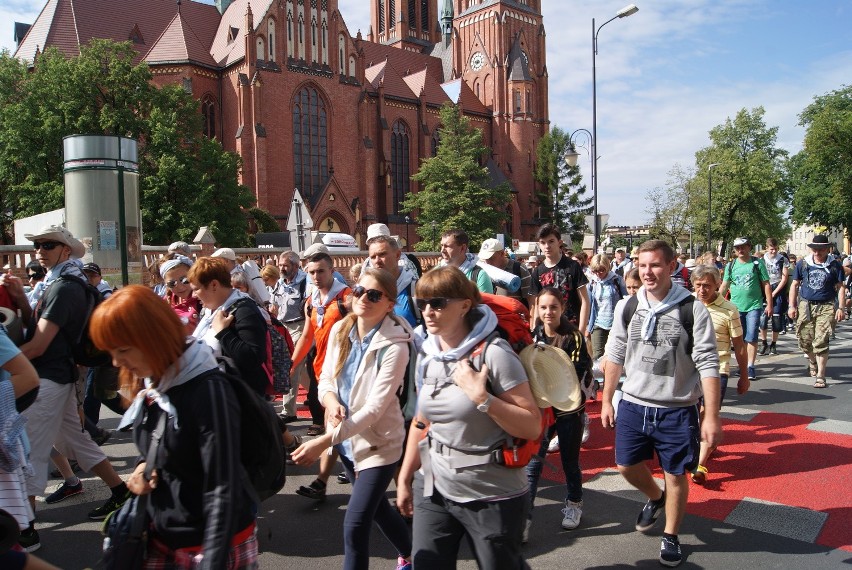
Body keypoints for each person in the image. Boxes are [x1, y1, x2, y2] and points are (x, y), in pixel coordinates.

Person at [90, 286, 258, 569]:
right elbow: (168, 442)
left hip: (209, 546)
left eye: (122, 350)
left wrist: (212, 561)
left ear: (152, 338)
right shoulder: (157, 383)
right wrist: (146, 465)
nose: (117, 362)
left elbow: (222, 486)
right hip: (163, 534)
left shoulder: (207, 390)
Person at [396, 266, 540, 569]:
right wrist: (407, 476)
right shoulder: (429, 353)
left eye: (437, 303)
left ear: (464, 305)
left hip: (490, 491)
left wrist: (482, 398)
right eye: (422, 303)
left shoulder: (495, 354)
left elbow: (531, 424)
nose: (428, 311)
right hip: (434, 486)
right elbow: (422, 421)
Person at [601, 239, 721, 567]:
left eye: (654, 265)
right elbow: (614, 354)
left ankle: (670, 534)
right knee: (626, 465)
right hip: (634, 403)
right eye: (642, 265)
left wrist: (711, 416)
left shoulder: (691, 308)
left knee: (676, 474)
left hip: (677, 409)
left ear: (671, 266)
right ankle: (656, 498)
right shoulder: (628, 305)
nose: (648, 272)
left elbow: (709, 363)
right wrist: (607, 400)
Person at [14, 225, 130, 551]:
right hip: (56, 375)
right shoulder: (57, 283)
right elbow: (39, 327)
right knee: (74, 440)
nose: (40, 249)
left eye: (48, 244)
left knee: (30, 451)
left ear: (66, 250)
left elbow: (38, 344)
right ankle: (121, 492)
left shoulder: (64, 287)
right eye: (37, 244)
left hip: (47, 377)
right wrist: (23, 299)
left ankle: (26, 531)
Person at [292, 268, 413, 570]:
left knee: (355, 525)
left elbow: (375, 409)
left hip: (379, 445)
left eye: (374, 295)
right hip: (346, 442)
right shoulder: (341, 329)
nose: (363, 298)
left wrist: (323, 441)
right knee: (379, 510)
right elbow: (326, 379)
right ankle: (414, 555)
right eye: (360, 290)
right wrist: (330, 401)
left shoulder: (396, 345)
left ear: (389, 304)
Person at [525, 287, 591, 541]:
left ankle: (574, 503)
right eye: (543, 307)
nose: (548, 312)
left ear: (562, 308)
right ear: (537, 309)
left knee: (569, 461)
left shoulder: (573, 336)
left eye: (553, 307)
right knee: (532, 464)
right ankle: (525, 517)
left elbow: (572, 374)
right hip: (542, 408)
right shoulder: (534, 334)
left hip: (568, 409)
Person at [290, 252, 352, 499]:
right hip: (322, 372)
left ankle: (322, 481)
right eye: (312, 272)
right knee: (335, 426)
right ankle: (326, 481)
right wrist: (293, 363)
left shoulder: (346, 298)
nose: (316, 276)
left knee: (334, 425)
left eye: (321, 271)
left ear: (332, 269)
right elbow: (307, 336)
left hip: (346, 372)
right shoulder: (311, 301)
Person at [690, 265, 749, 484]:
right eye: (698, 285)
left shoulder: (729, 309)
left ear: (717, 284)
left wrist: (744, 375)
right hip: (689, 369)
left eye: (707, 285)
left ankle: (700, 464)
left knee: (707, 414)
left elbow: (739, 345)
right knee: (690, 416)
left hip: (718, 369)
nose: (702, 290)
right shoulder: (687, 303)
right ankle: (701, 447)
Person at [189, 257, 268, 397]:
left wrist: (223, 333)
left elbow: (253, 358)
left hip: (239, 401)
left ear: (214, 285)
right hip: (216, 394)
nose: (194, 295)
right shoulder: (210, 312)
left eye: (196, 289)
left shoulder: (244, 310)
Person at [788, 235, 846, 388]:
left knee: (821, 341)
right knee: (804, 340)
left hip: (826, 306)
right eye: (814, 249)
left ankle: (821, 375)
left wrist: (841, 307)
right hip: (806, 305)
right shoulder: (803, 263)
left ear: (827, 249)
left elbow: (841, 287)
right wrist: (792, 306)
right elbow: (794, 285)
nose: (817, 252)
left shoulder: (834, 265)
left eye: (820, 249)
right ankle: (812, 361)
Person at [719, 237, 772, 381]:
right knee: (738, 339)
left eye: (743, 247)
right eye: (737, 248)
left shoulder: (757, 263)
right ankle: (742, 366)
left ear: (749, 247)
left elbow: (766, 284)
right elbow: (724, 286)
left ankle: (750, 366)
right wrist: (716, 302)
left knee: (752, 336)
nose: (740, 250)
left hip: (754, 306)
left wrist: (769, 304)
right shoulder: (731, 265)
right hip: (735, 307)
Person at [529, 224, 590, 333]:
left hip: (571, 328)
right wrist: (535, 330)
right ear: (539, 245)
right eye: (543, 242)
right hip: (547, 331)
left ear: (559, 242)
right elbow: (536, 305)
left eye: (551, 241)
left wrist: (581, 332)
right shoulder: (537, 271)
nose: (547, 246)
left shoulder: (573, 266)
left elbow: (585, 301)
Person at [275, 251, 309, 423]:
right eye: (280, 265)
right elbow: (276, 304)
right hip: (284, 327)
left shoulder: (305, 282)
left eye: (285, 265)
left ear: (296, 266)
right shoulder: (280, 282)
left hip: (300, 326)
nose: (282, 268)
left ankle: (288, 411)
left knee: (292, 365)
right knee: (301, 368)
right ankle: (316, 395)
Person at [367, 235, 419, 326]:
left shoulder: (415, 289)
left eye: (382, 254)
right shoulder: (365, 291)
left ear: (397, 255)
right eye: (373, 257)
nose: (377, 261)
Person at [587, 254, 627, 360]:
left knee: (614, 355)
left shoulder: (616, 280)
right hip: (597, 323)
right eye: (595, 271)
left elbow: (625, 299)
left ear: (607, 267)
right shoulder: (592, 282)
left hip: (615, 323)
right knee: (597, 355)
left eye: (601, 270)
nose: (599, 274)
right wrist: (587, 325)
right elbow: (588, 304)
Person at [479, 238, 533, 308]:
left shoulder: (519, 269)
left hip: (514, 317)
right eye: (485, 259)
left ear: (502, 253)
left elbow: (531, 300)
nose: (488, 262)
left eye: (491, 258)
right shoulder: (484, 271)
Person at [759, 238, 790, 355]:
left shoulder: (783, 259)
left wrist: (774, 292)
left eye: (776, 249)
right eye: (772, 249)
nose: (774, 251)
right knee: (763, 319)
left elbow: (784, 278)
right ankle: (763, 342)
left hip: (777, 288)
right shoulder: (761, 260)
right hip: (764, 288)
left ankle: (773, 344)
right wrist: (766, 292)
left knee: (776, 319)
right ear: (767, 248)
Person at [438, 229, 494, 293]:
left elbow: (485, 302)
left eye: (447, 246)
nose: (442, 250)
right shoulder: (436, 271)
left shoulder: (479, 275)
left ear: (463, 248)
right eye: (442, 245)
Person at [160, 254, 203, 335]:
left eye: (184, 280)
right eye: (172, 283)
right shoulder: (165, 303)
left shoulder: (203, 300)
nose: (180, 287)